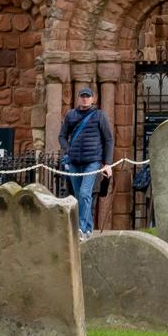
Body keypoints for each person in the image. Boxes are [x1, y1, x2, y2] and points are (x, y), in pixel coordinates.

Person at [58, 86, 113, 238]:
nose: (85, 98)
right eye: (82, 96)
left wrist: (107, 163)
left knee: (84, 193)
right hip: (74, 162)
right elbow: (62, 136)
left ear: (92, 99)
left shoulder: (99, 116)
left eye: (87, 96)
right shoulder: (71, 115)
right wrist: (67, 149)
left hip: (92, 162)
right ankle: (88, 229)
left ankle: (81, 228)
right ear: (78, 98)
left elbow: (108, 139)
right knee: (78, 197)